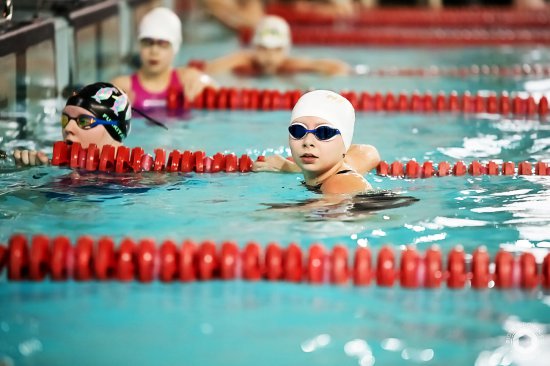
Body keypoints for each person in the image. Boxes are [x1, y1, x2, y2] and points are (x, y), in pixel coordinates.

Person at [253, 89, 380, 195]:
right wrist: (293, 168)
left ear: (345, 144)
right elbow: (369, 152)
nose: (308, 141)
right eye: (298, 130)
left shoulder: (339, 185)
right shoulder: (340, 168)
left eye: (324, 133)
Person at [111, 7, 216, 111]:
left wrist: (203, 82)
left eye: (162, 44)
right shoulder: (122, 87)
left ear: (175, 48)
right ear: (140, 45)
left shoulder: (187, 80)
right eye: (148, 42)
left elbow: (217, 90)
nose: (154, 51)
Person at [12, 82, 132, 166]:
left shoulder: (138, 180)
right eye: (65, 119)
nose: (68, 128)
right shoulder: (58, 170)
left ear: (114, 129)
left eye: (84, 121)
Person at [203, 15, 350, 76]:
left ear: (286, 49)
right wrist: (238, 58)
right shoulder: (242, 60)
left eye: (277, 50)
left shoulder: (292, 64)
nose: (270, 57)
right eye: (263, 48)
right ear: (253, 47)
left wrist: (313, 66)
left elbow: (339, 68)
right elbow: (210, 70)